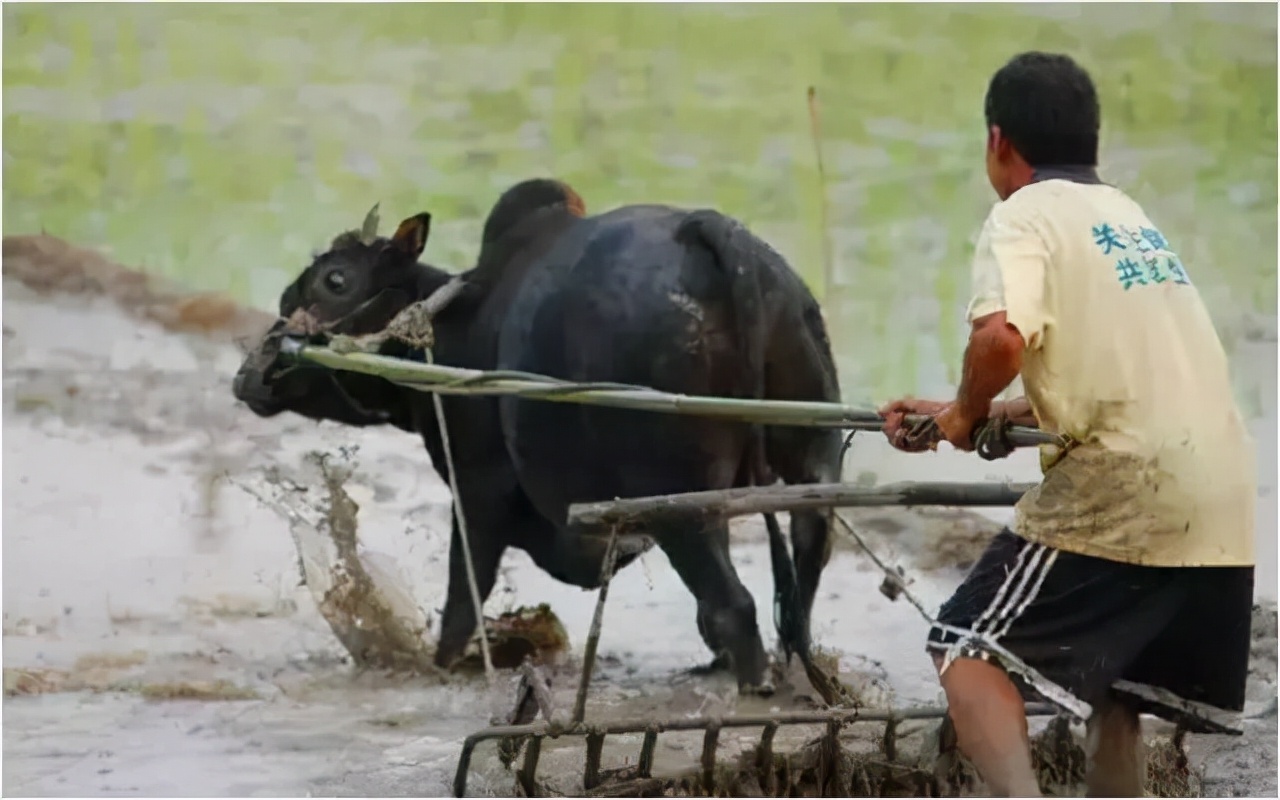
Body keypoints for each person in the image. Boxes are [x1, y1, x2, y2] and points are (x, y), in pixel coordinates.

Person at [880, 51, 1257, 797]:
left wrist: (964, 413)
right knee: (1117, 686)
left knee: (965, 649)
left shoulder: (1022, 215)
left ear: (997, 141)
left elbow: (999, 340)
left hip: (1128, 486)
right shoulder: (1129, 218)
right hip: (1221, 495)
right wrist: (976, 412)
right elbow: (1126, 380)